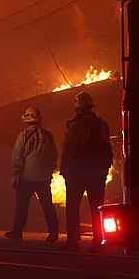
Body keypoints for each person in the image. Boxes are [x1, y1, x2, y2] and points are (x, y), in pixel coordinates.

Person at [58, 91, 113, 253]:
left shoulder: (75, 125)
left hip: (78, 173)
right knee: (97, 209)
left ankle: (72, 242)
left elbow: (69, 149)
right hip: (97, 173)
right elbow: (107, 148)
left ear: (77, 108)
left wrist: (64, 170)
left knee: (73, 207)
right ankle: (99, 243)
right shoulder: (102, 125)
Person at [5, 106, 59, 242]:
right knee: (47, 205)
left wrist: (15, 175)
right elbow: (53, 157)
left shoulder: (23, 136)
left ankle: (17, 232)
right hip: (43, 178)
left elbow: (17, 158)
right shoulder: (48, 136)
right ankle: (53, 233)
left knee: (22, 206)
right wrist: (48, 171)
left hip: (27, 178)